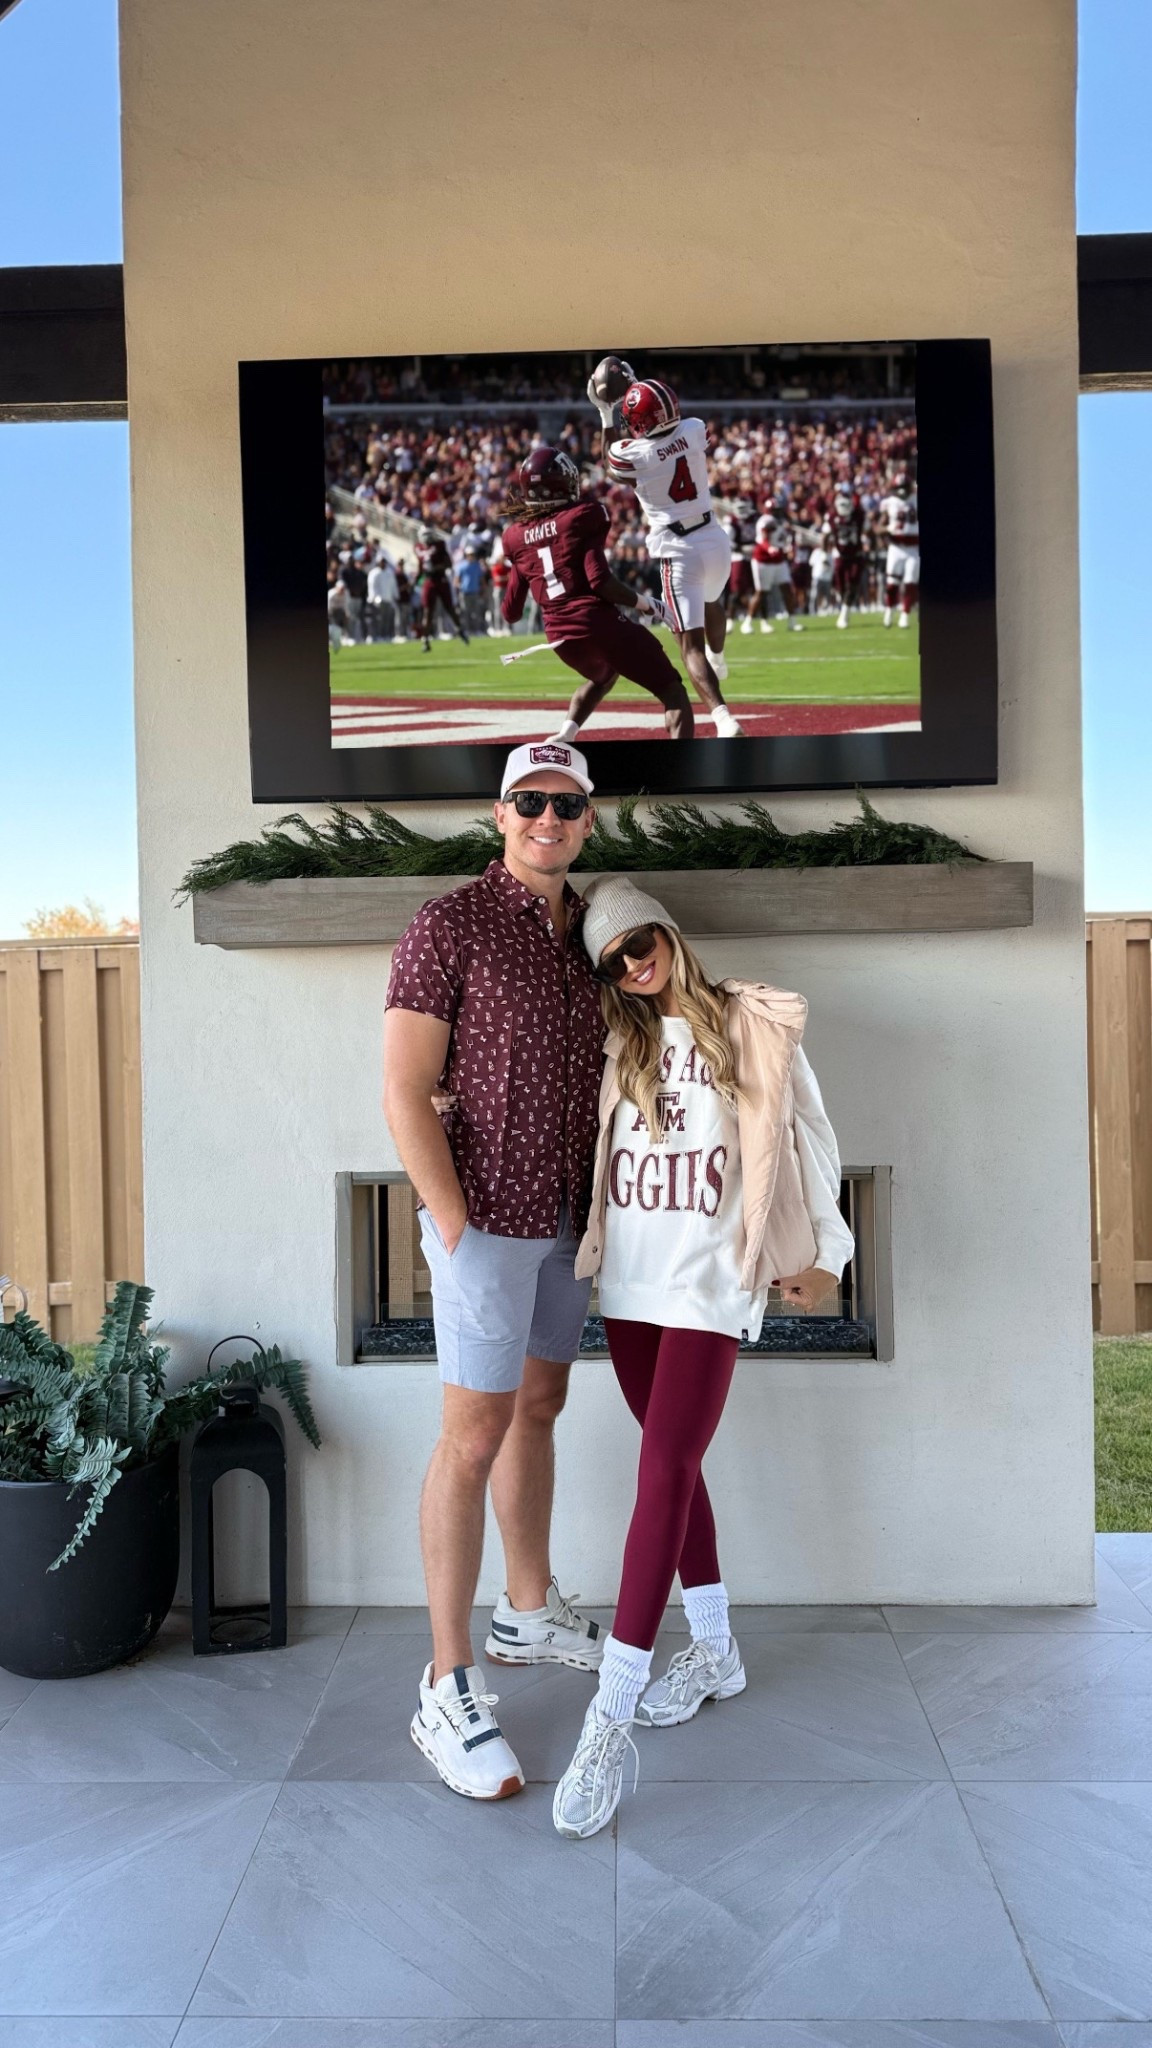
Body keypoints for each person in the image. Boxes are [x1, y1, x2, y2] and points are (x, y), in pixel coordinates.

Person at [551, 877, 854, 1839]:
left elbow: (813, 1140)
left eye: (640, 943)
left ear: (668, 932)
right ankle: (717, 1650)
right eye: (613, 961)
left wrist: (829, 1256)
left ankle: (607, 1719)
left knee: (663, 1468)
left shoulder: (750, 1023)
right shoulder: (618, 1043)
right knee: (676, 1472)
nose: (634, 967)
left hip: (712, 1285)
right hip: (632, 1284)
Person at [382, 740, 607, 1803]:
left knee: (540, 1402)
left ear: (589, 819)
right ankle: (446, 1679)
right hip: (487, 1221)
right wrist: (455, 1224)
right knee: (470, 1433)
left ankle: (526, 1606)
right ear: (500, 812)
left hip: (569, 1215)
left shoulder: (594, 934)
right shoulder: (450, 925)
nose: (547, 818)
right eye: (530, 801)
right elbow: (401, 1087)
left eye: (565, 803)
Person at [500, 445, 695, 743]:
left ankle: (566, 734)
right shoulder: (583, 515)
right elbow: (600, 581)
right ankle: (684, 769)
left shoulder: (515, 535)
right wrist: (647, 603)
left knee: (603, 675)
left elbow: (510, 612)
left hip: (559, 637)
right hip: (597, 622)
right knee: (672, 690)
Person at [600, 379, 742, 734]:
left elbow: (611, 464)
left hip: (679, 549)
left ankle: (723, 718)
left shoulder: (636, 454)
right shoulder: (694, 429)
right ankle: (720, 657)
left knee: (688, 645)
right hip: (714, 539)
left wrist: (606, 413)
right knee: (712, 601)